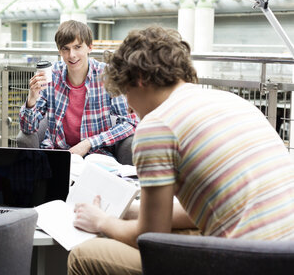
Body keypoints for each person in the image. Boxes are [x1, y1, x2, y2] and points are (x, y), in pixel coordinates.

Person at [68, 26, 294, 274]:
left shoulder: (157, 126)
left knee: (84, 256)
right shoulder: (231, 101)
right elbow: (202, 208)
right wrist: (129, 211)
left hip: (242, 263)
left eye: (125, 93)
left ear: (140, 80)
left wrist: (102, 221)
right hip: (282, 256)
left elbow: (151, 235)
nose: (129, 108)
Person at [19, 20, 138, 158]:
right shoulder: (51, 76)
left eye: (77, 47)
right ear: (60, 51)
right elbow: (28, 128)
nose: (72, 55)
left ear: (89, 47)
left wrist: (89, 143)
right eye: (66, 49)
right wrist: (31, 99)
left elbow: (129, 122)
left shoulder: (107, 75)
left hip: (95, 153)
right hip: (58, 153)